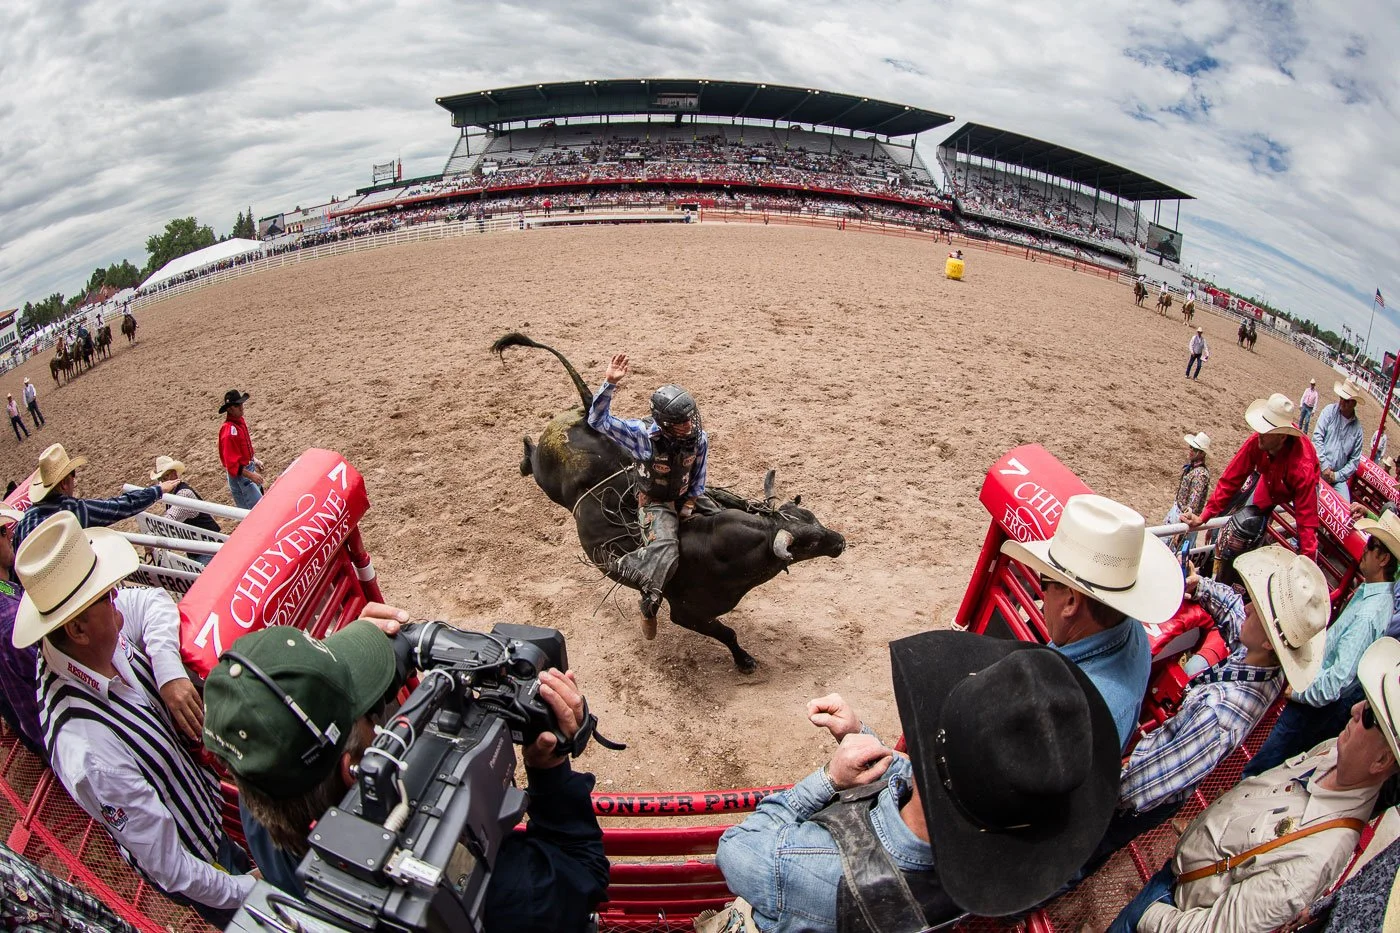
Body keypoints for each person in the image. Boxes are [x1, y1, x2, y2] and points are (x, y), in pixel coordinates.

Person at [202, 615, 609, 933]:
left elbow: (278, 738)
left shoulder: (264, 805)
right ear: (355, 771)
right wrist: (550, 771)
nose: (379, 710)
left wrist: (346, 670)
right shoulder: (488, 888)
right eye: (370, 709)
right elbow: (583, 874)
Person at [715, 630, 1120, 931]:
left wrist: (829, 779)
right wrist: (863, 739)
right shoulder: (1011, 864)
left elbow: (735, 849)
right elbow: (936, 788)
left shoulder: (805, 863)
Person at [12, 512, 254, 925]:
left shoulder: (82, 642)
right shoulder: (88, 749)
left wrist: (168, 671)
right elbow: (173, 866)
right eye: (108, 597)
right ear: (78, 630)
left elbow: (150, 601)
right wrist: (248, 890)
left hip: (209, 809)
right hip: (208, 865)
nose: (118, 602)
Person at [1109, 637, 1400, 933]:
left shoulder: (1314, 858)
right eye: (1364, 698)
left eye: (1368, 716)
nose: (1354, 710)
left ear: (1382, 760)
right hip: (1175, 881)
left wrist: (1149, 916)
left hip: (1171, 911)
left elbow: (1216, 929)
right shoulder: (1333, 751)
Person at [1089, 548, 1329, 874]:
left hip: (1140, 794)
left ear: (1271, 641)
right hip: (1165, 773)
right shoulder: (1266, 664)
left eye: (1255, 608)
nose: (1246, 608)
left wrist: (1091, 794)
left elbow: (1138, 785)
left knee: (1088, 845)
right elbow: (1234, 611)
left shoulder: (1218, 715)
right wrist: (1199, 586)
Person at [1001, 493, 1182, 748]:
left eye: (1045, 582)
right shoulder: (1131, 632)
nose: (1041, 596)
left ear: (1071, 602)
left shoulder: (1080, 714)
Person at [1242, 509, 1400, 777]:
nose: (1364, 550)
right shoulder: (1373, 599)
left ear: (1383, 558)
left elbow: (1338, 678)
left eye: (1371, 546)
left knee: (1265, 767)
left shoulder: (1368, 614)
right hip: (1317, 702)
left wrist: (1300, 691)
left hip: (1313, 707)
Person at [587, 352, 708, 639]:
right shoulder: (641, 436)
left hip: (685, 496)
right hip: (655, 502)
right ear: (665, 423)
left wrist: (691, 502)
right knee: (665, 547)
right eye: (681, 422)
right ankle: (648, 601)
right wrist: (609, 384)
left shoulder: (699, 437)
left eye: (690, 418)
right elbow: (598, 421)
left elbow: (699, 473)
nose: (689, 426)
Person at [1182, 393, 1321, 563]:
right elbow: (1231, 478)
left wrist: (1308, 564)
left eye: (1266, 430)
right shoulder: (1258, 441)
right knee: (1248, 521)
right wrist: (1205, 515)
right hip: (1270, 481)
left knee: (1303, 534)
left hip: (1294, 487)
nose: (1259, 433)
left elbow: (1306, 519)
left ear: (1282, 436)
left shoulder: (1302, 467)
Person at [12, 443, 180, 550]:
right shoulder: (72, 511)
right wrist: (157, 491)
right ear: (64, 483)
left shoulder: (24, 521)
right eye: (73, 476)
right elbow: (119, 506)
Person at [0, 507, 44, 757]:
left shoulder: (8, 591)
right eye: (3, 532)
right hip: (51, 731)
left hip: (29, 725)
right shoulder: (11, 619)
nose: (9, 535)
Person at [149, 455, 220, 565]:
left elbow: (169, 520)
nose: (162, 483)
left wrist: (150, 538)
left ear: (174, 474)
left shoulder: (183, 494)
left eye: (165, 478)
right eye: (160, 480)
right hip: (200, 547)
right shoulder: (173, 494)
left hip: (207, 549)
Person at [1312, 378, 1365, 502]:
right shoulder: (1329, 411)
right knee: (1298, 492)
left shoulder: (1357, 430)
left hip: (1337, 478)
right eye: (1341, 398)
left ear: (1354, 404)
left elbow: (1354, 461)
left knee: (1344, 506)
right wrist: (1324, 465)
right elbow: (1317, 438)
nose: (1342, 402)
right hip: (1317, 465)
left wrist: (1336, 476)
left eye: (1346, 400)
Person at [218, 389, 264, 509]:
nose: (241, 407)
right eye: (237, 405)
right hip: (242, 476)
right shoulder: (229, 432)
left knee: (258, 506)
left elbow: (242, 450)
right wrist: (251, 475)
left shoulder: (238, 423)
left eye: (241, 404)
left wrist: (253, 460)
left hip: (246, 471)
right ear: (229, 409)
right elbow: (231, 464)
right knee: (255, 511)